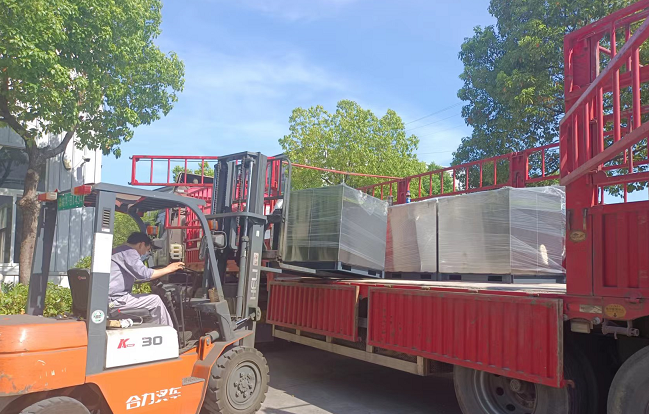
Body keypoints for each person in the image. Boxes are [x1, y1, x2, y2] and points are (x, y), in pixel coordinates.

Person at [109, 232, 184, 327]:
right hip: (116, 300)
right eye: (147, 250)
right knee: (155, 301)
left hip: (111, 298)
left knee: (149, 301)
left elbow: (138, 275)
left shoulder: (118, 251)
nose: (144, 253)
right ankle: (167, 333)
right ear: (141, 244)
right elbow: (144, 274)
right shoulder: (129, 252)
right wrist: (169, 269)